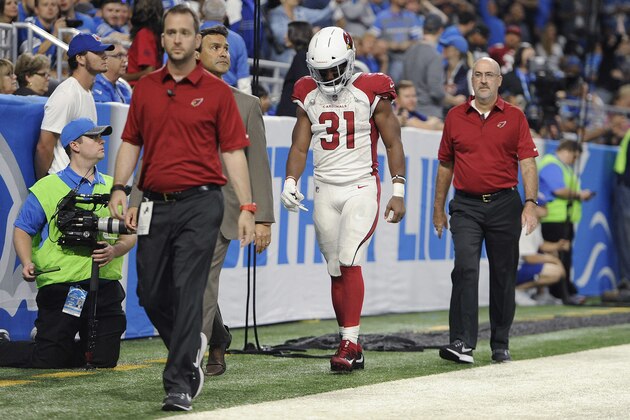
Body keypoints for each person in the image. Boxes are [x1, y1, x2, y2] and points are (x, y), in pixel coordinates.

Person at [108, 5, 255, 412]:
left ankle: (179, 382)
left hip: (201, 203)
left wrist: (246, 206)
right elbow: (132, 142)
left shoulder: (218, 92)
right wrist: (121, 188)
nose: (176, 39)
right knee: (150, 293)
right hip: (155, 202)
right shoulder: (147, 89)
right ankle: (192, 352)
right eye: (170, 32)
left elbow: (234, 153)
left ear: (194, 40)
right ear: (163, 39)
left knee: (189, 290)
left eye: (184, 33)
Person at [282, 26, 406, 372]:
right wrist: (290, 179)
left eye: (334, 69)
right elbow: (299, 143)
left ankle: (349, 344)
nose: (327, 78)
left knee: (351, 259)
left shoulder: (370, 89)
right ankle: (349, 340)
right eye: (320, 71)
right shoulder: (307, 92)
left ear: (349, 62)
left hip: (360, 186)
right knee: (335, 267)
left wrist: (398, 191)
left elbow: (394, 142)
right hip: (324, 188)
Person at [0, 118, 136, 369]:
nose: (101, 141)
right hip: (63, 286)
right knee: (48, 359)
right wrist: (27, 261)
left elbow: (129, 234)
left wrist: (115, 249)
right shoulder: (48, 187)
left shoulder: (113, 187)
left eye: (101, 137)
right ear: (74, 144)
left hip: (105, 285)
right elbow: (22, 229)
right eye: (94, 137)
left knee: (103, 361)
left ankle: (56, 343)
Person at [433, 57, 539, 365]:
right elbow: (445, 164)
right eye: (478, 75)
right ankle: (462, 342)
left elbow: (528, 162)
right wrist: (438, 209)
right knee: (465, 268)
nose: (483, 80)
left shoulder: (516, 117)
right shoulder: (454, 116)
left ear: (499, 81)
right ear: (472, 80)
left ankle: (500, 343)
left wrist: (531, 203)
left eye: (489, 75)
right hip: (465, 205)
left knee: (504, 275)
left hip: (506, 204)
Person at [196, 25, 274, 376]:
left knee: (200, 281)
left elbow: (258, 162)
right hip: (175, 203)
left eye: (226, 47)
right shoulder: (172, 97)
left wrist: (263, 218)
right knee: (172, 284)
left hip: (221, 208)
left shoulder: (246, 105)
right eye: (215, 47)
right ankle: (219, 337)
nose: (224, 53)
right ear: (195, 53)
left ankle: (188, 359)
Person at [34, 33, 113, 180]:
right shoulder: (67, 93)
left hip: (79, 182)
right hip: (62, 182)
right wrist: (44, 185)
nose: (104, 56)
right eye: (97, 52)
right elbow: (44, 146)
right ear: (80, 58)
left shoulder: (86, 92)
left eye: (103, 52)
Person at [538, 140, 595, 305]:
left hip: (563, 218)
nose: (574, 161)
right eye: (574, 157)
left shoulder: (561, 166)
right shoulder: (552, 164)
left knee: (564, 257)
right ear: (567, 151)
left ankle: (565, 291)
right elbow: (559, 190)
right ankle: (560, 293)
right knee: (558, 256)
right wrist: (580, 195)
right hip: (554, 219)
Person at [515, 196, 567, 306]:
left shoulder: (535, 223)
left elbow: (541, 245)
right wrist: (554, 260)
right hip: (516, 269)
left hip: (524, 266)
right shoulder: (526, 225)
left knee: (552, 254)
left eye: (546, 205)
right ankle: (517, 291)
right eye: (542, 206)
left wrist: (557, 246)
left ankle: (541, 294)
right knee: (555, 271)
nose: (546, 208)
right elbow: (528, 257)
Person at [200, 0, 251, 93]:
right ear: (225, 15)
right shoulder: (238, 40)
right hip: (228, 94)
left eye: (226, 49)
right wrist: (244, 105)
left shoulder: (191, 36)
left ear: (203, 12)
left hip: (195, 92)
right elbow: (244, 83)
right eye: (215, 48)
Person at [401, 13, 445, 119]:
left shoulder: (409, 51)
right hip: (429, 113)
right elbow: (436, 92)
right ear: (440, 30)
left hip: (409, 112)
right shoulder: (435, 55)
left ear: (423, 29)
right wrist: (453, 99)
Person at [275, 20, 312, 117]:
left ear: (297, 34)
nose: (284, 36)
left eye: (288, 33)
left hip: (291, 116)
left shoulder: (301, 57)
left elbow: (304, 86)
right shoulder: (303, 56)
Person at [123, 0, 163, 87]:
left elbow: (149, 71)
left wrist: (123, 77)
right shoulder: (152, 32)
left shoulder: (145, 34)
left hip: (137, 87)